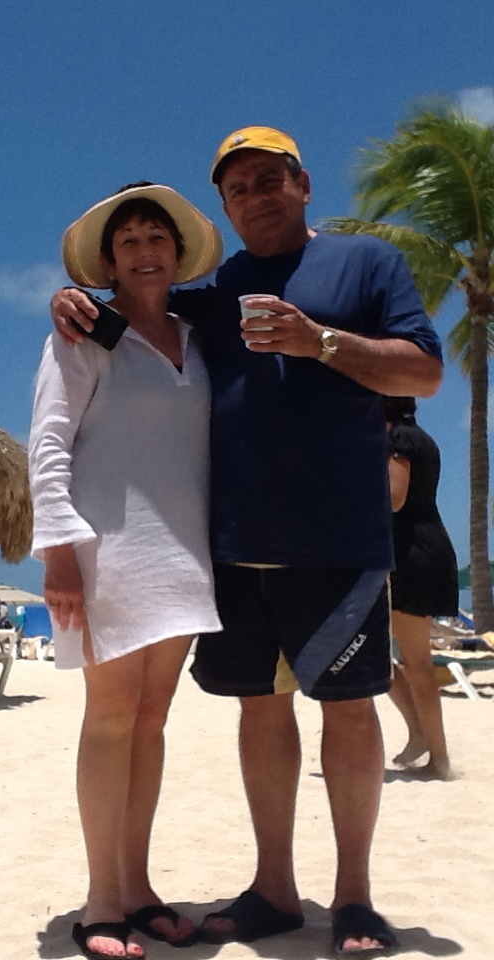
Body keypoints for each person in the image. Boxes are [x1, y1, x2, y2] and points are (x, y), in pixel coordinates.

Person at [50, 127, 444, 955]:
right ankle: (274, 888)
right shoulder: (217, 290)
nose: (256, 196)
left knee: (349, 711)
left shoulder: (367, 264)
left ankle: (355, 899)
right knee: (260, 713)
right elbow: (136, 309)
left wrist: (319, 341)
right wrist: (72, 300)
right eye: (238, 188)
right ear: (225, 209)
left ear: (303, 184)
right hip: (230, 548)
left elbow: (424, 372)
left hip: (337, 541)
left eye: (270, 179)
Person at [29, 182, 223, 960]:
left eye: (157, 238)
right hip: (105, 552)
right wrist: (58, 555)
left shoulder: (201, 335)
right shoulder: (83, 334)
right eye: (130, 241)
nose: (146, 251)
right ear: (109, 261)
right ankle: (101, 899)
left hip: (184, 551)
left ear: (177, 253)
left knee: (151, 722)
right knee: (110, 719)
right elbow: (48, 443)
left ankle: (138, 887)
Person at [384, 396, 458, 780]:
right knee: (377, 654)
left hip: (413, 553)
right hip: (419, 549)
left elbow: (394, 499)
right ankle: (420, 736)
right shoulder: (421, 438)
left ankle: (439, 758)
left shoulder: (399, 438)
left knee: (417, 663)